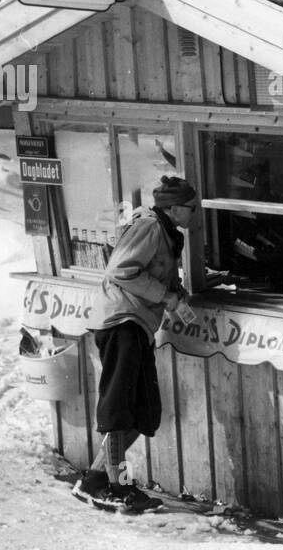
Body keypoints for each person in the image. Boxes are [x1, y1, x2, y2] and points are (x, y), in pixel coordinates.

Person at [75, 174, 198, 510]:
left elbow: (152, 273)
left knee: (144, 411)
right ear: (174, 208)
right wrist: (164, 295)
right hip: (121, 323)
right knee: (120, 409)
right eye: (192, 208)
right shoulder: (149, 227)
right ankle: (118, 487)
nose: (195, 214)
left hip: (138, 325)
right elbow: (121, 270)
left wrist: (175, 293)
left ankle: (95, 479)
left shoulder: (166, 232)